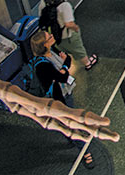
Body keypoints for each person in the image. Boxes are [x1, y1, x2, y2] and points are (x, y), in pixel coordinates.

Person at [30, 30, 95, 169]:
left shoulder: (51, 51)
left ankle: (72, 137)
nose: (52, 37)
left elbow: (67, 63)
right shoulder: (42, 65)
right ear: (45, 45)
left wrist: (65, 66)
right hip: (59, 98)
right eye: (49, 38)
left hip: (65, 92)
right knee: (71, 122)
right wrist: (65, 65)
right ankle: (84, 151)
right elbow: (63, 75)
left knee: (69, 119)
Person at [38, 0, 98, 71]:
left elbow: (41, 17)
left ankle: (64, 60)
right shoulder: (64, 5)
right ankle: (88, 64)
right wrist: (76, 28)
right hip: (66, 35)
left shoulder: (44, 1)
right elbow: (68, 23)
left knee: (61, 49)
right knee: (78, 49)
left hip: (53, 35)